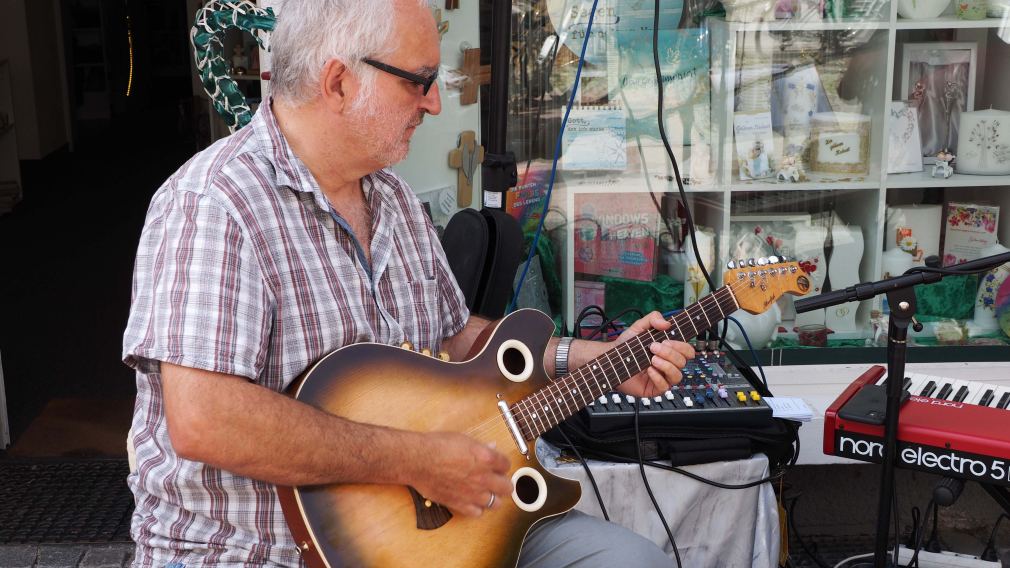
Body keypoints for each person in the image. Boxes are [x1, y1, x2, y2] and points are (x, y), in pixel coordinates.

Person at [122, 1, 695, 566]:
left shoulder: (391, 197)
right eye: (419, 82)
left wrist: (595, 357)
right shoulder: (213, 204)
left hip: (440, 527)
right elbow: (206, 420)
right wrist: (418, 460)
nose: (435, 102)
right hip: (250, 550)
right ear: (339, 81)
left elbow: (456, 338)